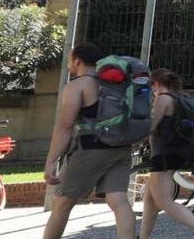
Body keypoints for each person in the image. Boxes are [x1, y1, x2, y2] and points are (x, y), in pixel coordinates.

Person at [42, 42, 135, 239]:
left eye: (69, 60)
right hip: (121, 146)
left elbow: (64, 127)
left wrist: (51, 162)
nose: (68, 64)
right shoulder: (116, 84)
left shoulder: (77, 85)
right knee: (118, 200)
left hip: (91, 149)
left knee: (62, 203)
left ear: (77, 61)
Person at [139, 69, 194, 239]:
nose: (152, 90)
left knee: (163, 200)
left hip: (164, 156)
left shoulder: (163, 99)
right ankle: (143, 237)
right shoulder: (178, 98)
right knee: (150, 199)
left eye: (152, 85)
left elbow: (151, 126)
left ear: (157, 83)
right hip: (171, 153)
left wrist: (132, 140)